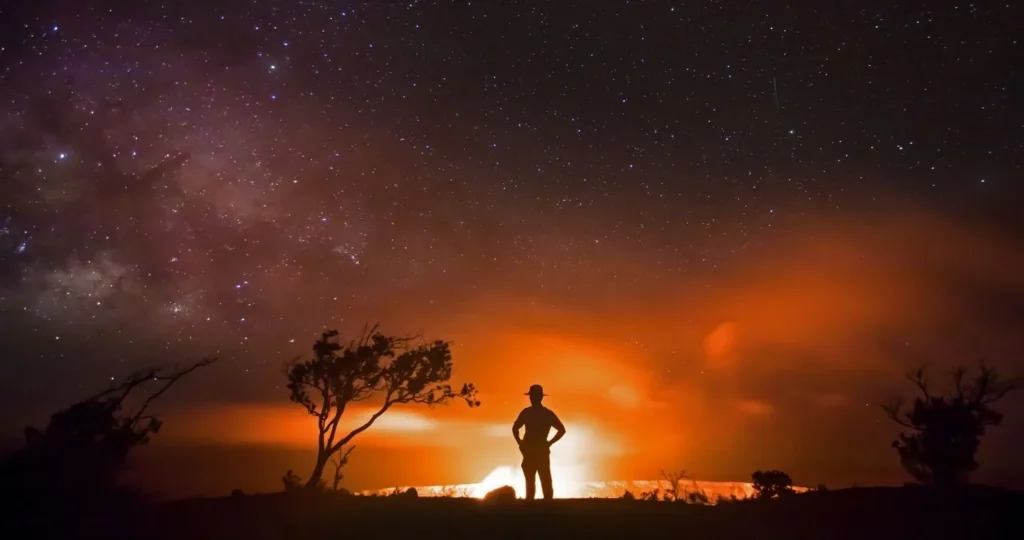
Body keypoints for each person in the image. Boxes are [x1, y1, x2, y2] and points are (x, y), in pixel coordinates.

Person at [512, 384, 566, 500]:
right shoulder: (539, 413)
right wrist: (520, 442)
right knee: (535, 481)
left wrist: (549, 443)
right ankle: (537, 507)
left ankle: (543, 507)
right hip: (534, 450)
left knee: (543, 481)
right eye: (531, 396)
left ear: (539, 397)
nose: (531, 398)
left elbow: (562, 430)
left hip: (538, 450)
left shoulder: (537, 413)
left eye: (533, 396)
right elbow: (515, 428)